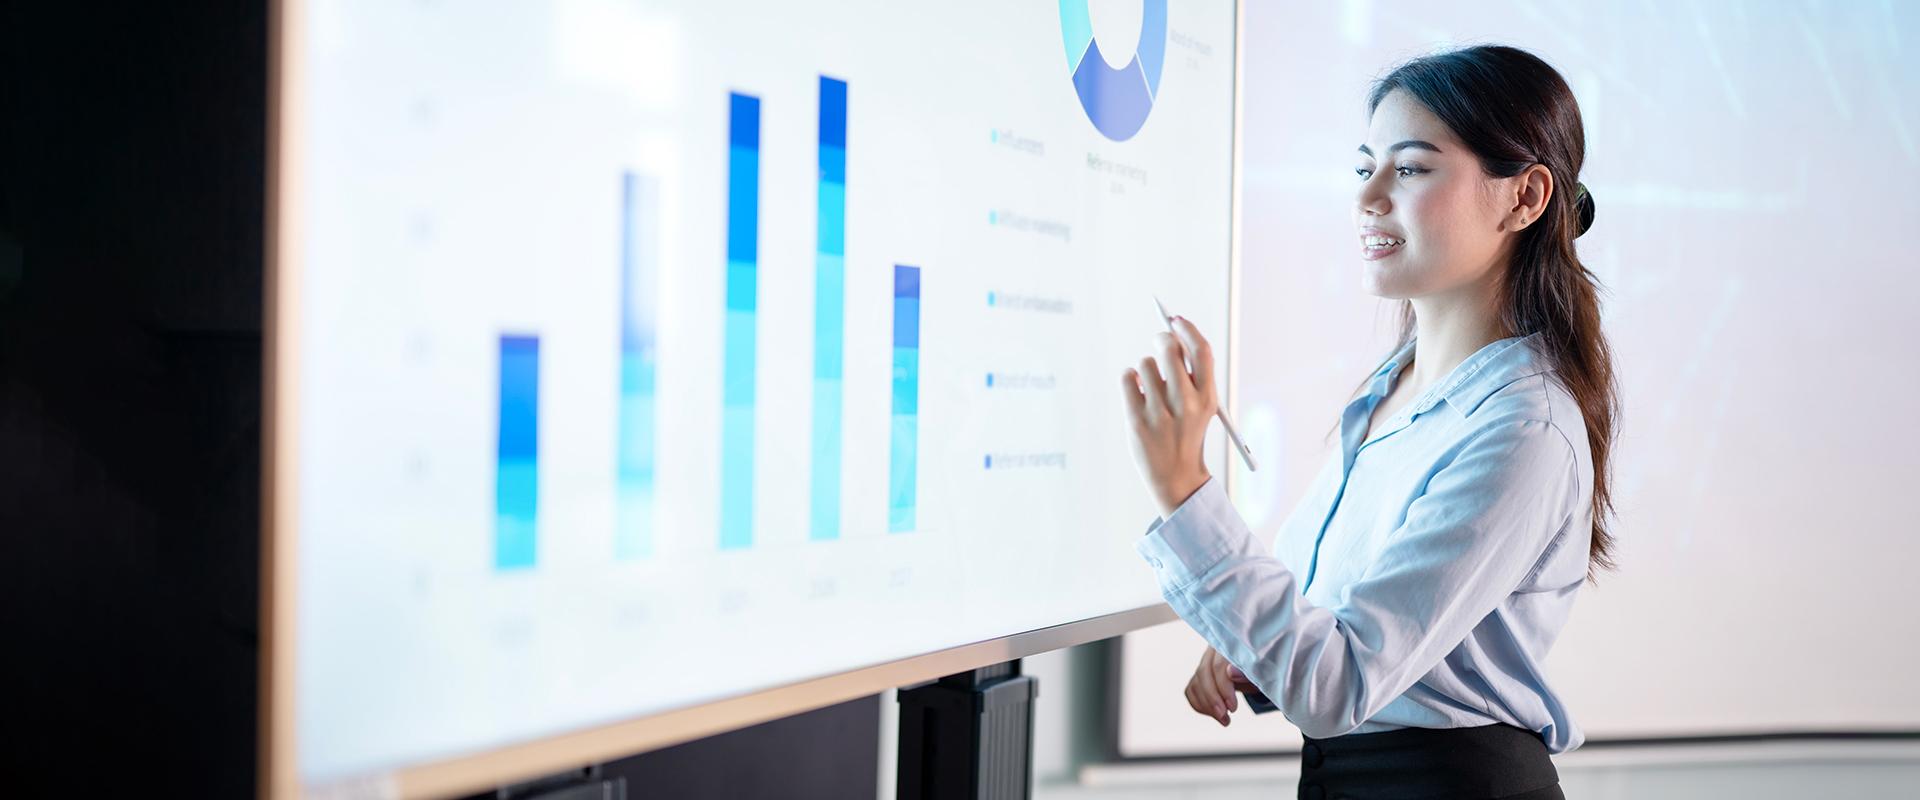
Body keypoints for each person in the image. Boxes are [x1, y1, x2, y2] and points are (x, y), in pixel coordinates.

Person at [1118, 44, 1615, 800]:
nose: (1368, 197)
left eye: (1411, 168)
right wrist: (1254, 651)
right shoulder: (1393, 389)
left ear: (1525, 198)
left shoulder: (1524, 428)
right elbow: (1347, 627)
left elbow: (1339, 686)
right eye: (1364, 167)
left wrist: (1186, 487)